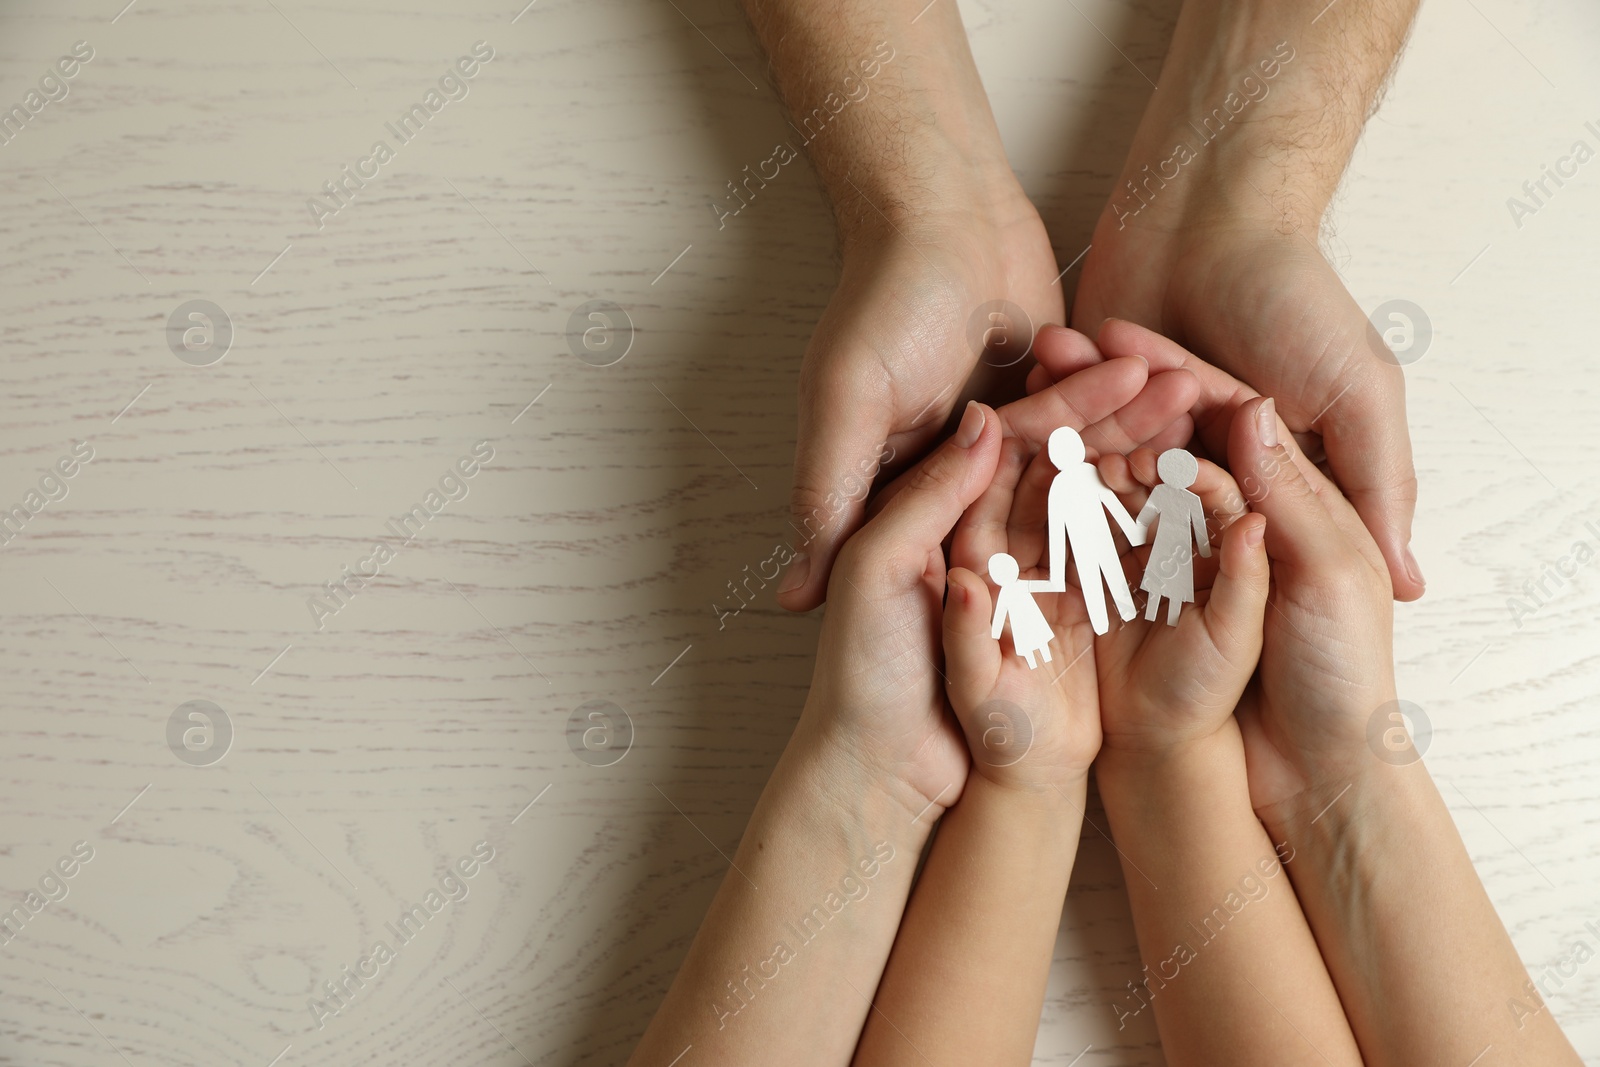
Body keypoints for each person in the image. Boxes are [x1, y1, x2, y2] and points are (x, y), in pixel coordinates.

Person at [626, 349, 1586, 1065]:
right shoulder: (1115, 513)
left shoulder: (1138, 511)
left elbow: (1124, 532)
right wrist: (1291, 770)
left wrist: (903, 778)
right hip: (1097, 602)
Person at [743, 0, 1427, 615]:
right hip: (1095, 552)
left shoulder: (1142, 494)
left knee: (1122, 590)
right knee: (1113, 590)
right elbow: (1109, 516)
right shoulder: (1117, 490)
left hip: (1112, 552)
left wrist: (1233, 210)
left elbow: (1119, 517)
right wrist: (928, 214)